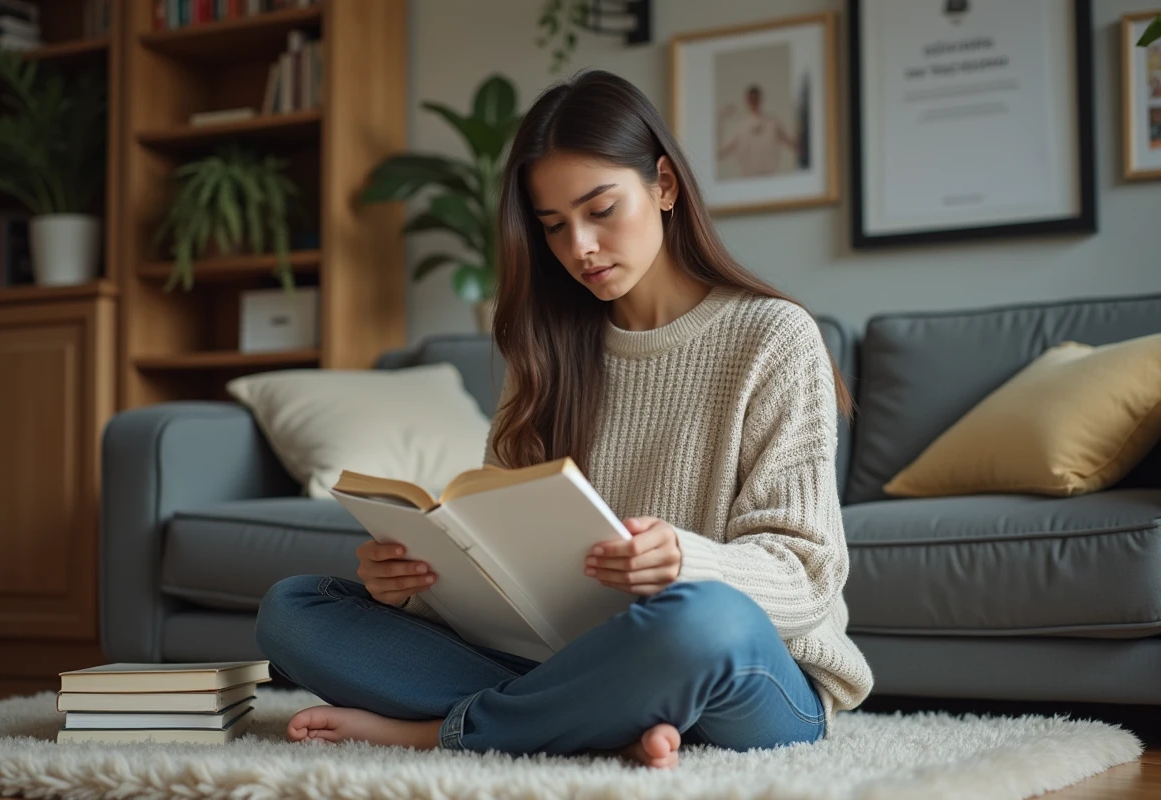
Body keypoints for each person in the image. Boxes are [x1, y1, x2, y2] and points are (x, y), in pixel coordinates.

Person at [254, 68, 873, 770]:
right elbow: (501, 570)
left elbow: (808, 575)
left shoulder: (772, 337)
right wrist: (412, 587)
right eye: (553, 226)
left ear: (664, 186)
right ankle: (601, 720)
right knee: (293, 609)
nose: (579, 246)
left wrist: (685, 562)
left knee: (703, 620)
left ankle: (449, 733)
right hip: (564, 657)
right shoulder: (545, 352)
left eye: (601, 209)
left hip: (746, 669)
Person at [717, 84, 798, 176]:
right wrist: (720, 118)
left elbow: (794, 145)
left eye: (756, 98)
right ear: (747, 100)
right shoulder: (740, 127)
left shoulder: (773, 123)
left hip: (770, 178)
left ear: (760, 99)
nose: (754, 101)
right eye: (751, 99)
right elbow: (720, 153)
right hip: (749, 180)